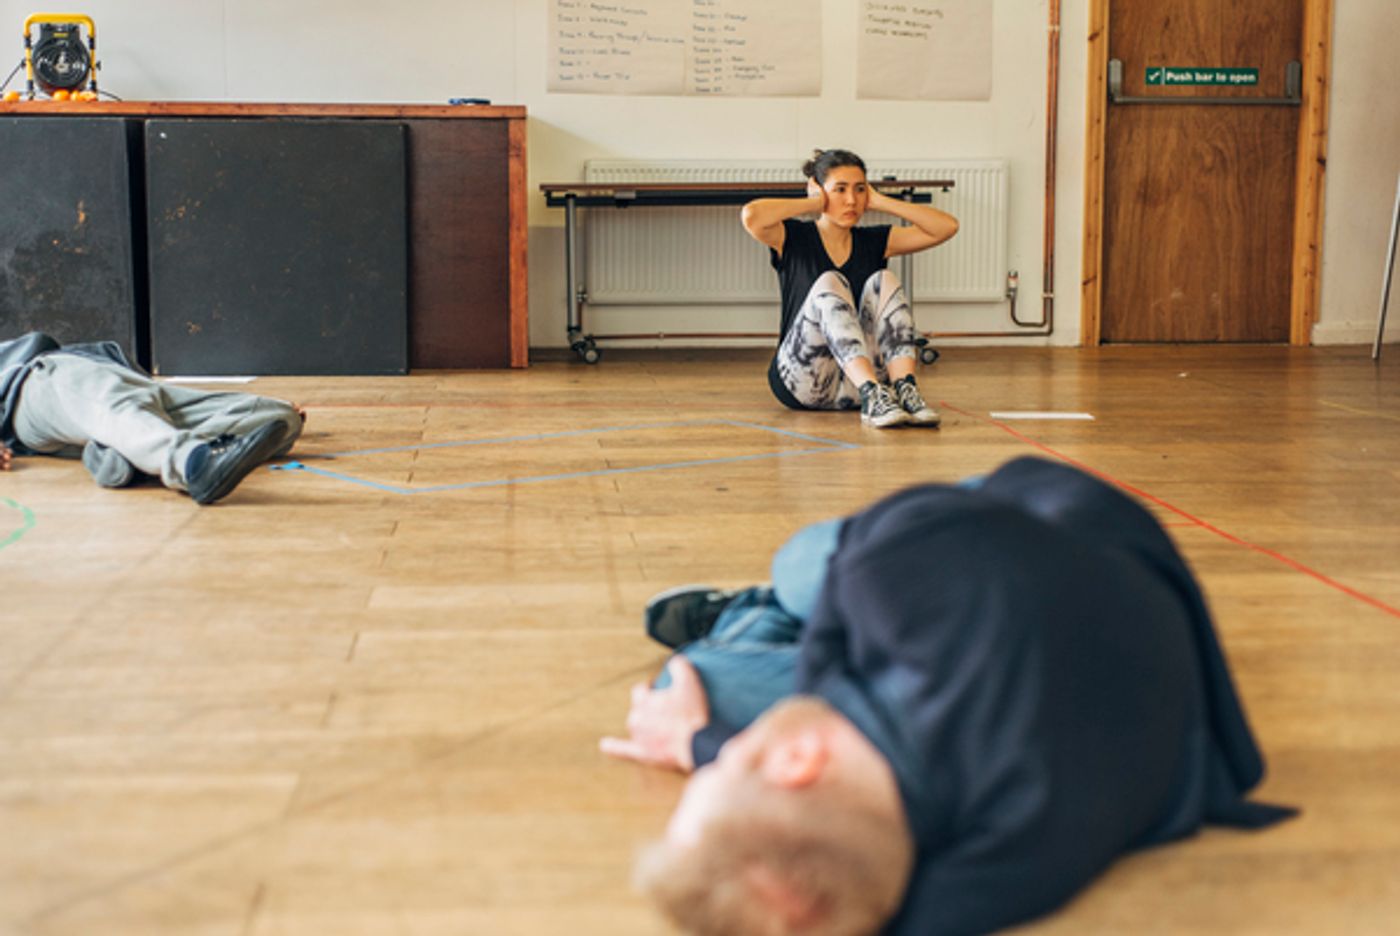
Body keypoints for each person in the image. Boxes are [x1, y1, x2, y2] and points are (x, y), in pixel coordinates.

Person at [602, 456, 1294, 936]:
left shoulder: (1018, 858)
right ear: (797, 761)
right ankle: (758, 613)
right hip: (1025, 573)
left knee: (793, 583)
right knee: (757, 622)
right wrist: (707, 746)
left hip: (1013, 520)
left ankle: (763, 611)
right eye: (720, 766)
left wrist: (701, 739)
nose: (713, 757)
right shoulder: (892, 574)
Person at [741, 149, 959, 429]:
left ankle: (905, 389)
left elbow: (947, 227)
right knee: (831, 281)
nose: (851, 200)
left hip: (860, 387)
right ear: (819, 191)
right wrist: (814, 202)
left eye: (859, 190)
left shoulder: (874, 240)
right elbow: (751, 216)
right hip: (804, 381)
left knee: (885, 279)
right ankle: (872, 392)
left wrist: (880, 201)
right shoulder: (793, 237)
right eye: (840, 190)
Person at [1, 331, 303, 504]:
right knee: (111, 403)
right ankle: (193, 464)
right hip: (36, 386)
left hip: (126, 377)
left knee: (280, 418)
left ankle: (132, 460)